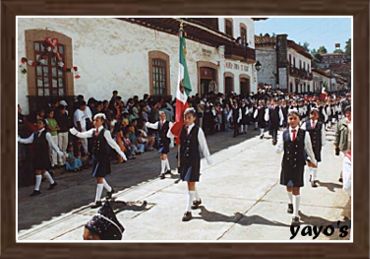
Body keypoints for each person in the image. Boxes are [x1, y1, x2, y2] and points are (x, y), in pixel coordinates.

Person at [70, 113, 127, 208]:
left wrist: (121, 153)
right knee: (98, 176)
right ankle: (109, 190)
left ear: (102, 121)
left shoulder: (105, 132)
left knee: (99, 177)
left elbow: (113, 144)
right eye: (94, 120)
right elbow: (82, 135)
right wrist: (75, 132)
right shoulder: (93, 131)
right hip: (96, 157)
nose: (95, 122)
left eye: (97, 120)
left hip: (103, 157)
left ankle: (97, 200)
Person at [276, 109, 317, 225]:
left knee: (296, 188)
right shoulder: (283, 133)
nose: (292, 121)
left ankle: (295, 215)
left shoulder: (305, 134)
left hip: (298, 164)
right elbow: (279, 149)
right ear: (288, 120)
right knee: (288, 187)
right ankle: (290, 202)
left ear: (299, 120)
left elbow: (309, 149)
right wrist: (278, 147)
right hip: (287, 164)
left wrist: (313, 161)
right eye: (290, 118)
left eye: (295, 118)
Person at [173, 108, 212, 222]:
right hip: (185, 160)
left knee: (190, 182)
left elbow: (203, 145)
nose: (186, 119)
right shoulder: (182, 130)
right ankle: (197, 199)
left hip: (193, 160)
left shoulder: (198, 130)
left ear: (194, 118)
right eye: (185, 117)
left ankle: (188, 210)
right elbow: (172, 137)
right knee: (190, 182)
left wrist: (208, 158)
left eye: (189, 117)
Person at [18, 119, 64, 196]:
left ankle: (37, 189)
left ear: (44, 125)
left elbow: (52, 144)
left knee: (38, 171)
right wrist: (19, 140)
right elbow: (28, 140)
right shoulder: (35, 134)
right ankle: (52, 182)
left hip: (43, 155)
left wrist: (58, 151)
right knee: (43, 170)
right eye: (37, 123)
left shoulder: (47, 134)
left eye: (40, 123)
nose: (38, 125)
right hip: (37, 154)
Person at [301, 108, 326, 187]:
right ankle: (312, 174)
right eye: (312, 114)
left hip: (317, 146)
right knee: (309, 161)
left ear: (318, 115)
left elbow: (323, 135)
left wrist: (322, 143)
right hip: (307, 146)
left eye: (315, 114)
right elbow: (301, 133)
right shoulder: (305, 124)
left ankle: (313, 178)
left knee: (315, 161)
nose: (313, 115)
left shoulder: (320, 124)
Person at [145, 111, 173, 179]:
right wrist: (147, 124)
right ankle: (168, 169)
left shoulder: (169, 123)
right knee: (162, 156)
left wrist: (172, 142)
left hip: (166, 141)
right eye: (161, 115)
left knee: (164, 155)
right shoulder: (158, 123)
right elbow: (152, 126)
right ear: (159, 116)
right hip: (160, 141)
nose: (162, 116)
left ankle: (162, 172)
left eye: (163, 115)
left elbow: (172, 132)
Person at [334, 105, 352, 191]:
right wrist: (336, 145)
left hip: (353, 149)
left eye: (350, 112)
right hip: (344, 147)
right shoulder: (341, 122)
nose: (348, 114)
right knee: (345, 163)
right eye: (347, 113)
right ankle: (343, 176)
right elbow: (337, 134)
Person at [55, 100, 70, 167]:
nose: (63, 110)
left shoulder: (66, 114)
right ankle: (60, 161)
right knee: (60, 146)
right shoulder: (57, 116)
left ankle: (64, 160)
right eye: (62, 109)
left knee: (65, 146)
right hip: (60, 132)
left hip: (65, 131)